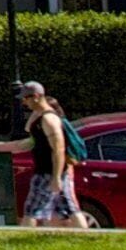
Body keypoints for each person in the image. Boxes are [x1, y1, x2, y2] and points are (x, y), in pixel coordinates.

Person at [16, 80, 81, 227]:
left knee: (31, 210)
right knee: (72, 210)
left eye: (26, 98)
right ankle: (89, 238)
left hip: (47, 173)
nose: (24, 102)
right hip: (53, 173)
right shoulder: (42, 117)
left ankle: (20, 242)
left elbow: (58, 149)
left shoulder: (49, 119)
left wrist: (56, 177)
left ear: (37, 96)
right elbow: (29, 134)